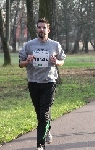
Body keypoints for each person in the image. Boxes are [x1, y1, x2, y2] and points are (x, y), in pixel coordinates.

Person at [19, 18, 66, 150]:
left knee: (44, 111)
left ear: (48, 30)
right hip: (33, 81)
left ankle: (40, 145)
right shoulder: (29, 45)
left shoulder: (55, 45)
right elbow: (20, 63)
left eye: (44, 27)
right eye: (39, 27)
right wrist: (27, 61)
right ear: (36, 29)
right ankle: (47, 129)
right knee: (39, 112)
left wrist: (56, 62)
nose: (41, 29)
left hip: (49, 81)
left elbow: (62, 61)